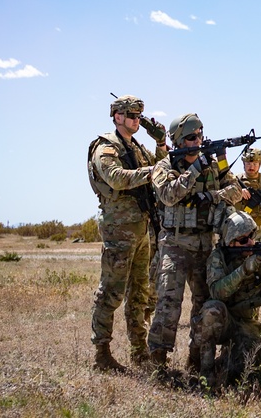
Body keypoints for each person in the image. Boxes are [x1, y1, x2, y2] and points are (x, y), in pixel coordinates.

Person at [147, 113, 246, 372]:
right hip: (175, 244)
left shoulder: (213, 166)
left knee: (203, 305)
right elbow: (169, 195)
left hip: (204, 244)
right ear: (179, 141)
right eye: (192, 137)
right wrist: (195, 167)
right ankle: (158, 363)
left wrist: (210, 193)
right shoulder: (164, 167)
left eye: (200, 135)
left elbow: (235, 191)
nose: (198, 140)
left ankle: (196, 360)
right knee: (168, 304)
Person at [87, 95, 168, 372]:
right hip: (118, 230)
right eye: (131, 115)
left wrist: (160, 143)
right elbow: (117, 178)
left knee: (140, 294)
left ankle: (139, 351)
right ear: (117, 117)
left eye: (138, 116)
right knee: (111, 292)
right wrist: (150, 171)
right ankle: (102, 354)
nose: (136, 120)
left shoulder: (139, 148)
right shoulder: (106, 147)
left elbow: (162, 168)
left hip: (142, 229)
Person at [192, 211, 261, 387]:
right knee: (212, 309)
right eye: (243, 240)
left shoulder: (259, 255)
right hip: (224, 321)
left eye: (251, 236)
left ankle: (226, 361)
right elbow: (217, 292)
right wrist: (244, 270)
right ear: (231, 242)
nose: (249, 242)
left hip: (247, 324)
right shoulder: (218, 257)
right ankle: (206, 374)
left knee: (242, 368)